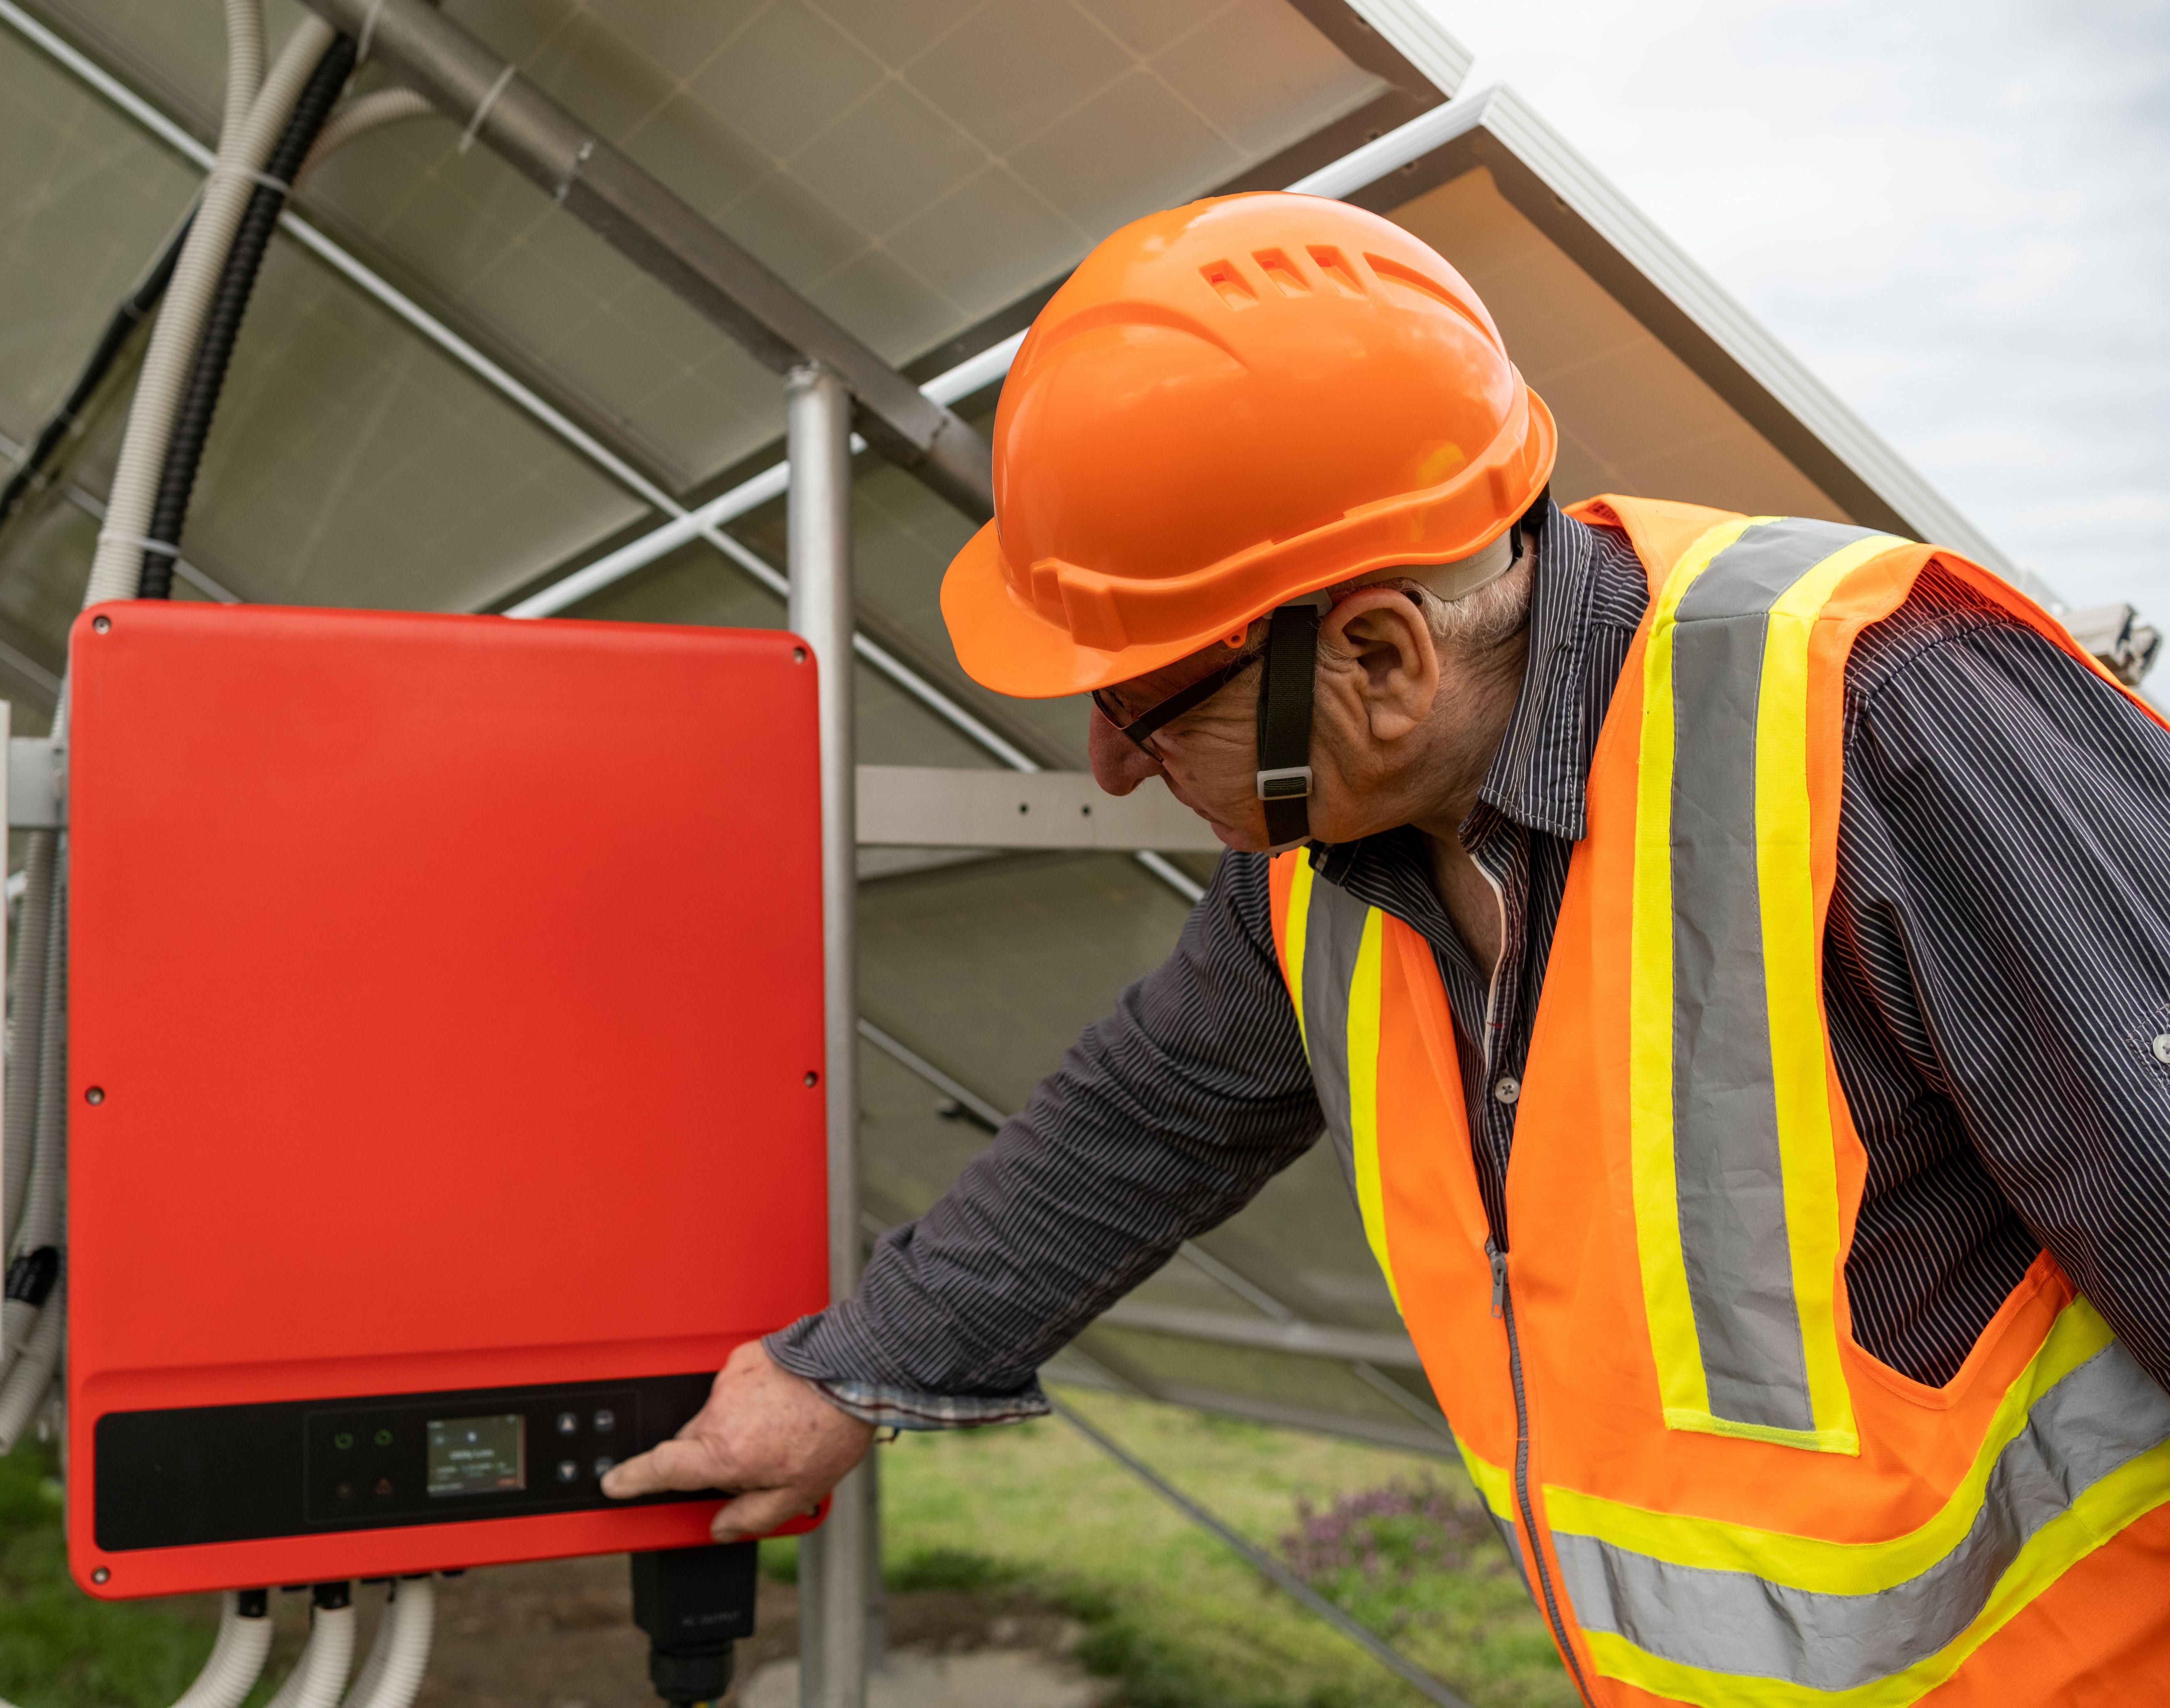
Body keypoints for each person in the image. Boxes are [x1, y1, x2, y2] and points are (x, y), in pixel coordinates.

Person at [602, 193, 2170, 1700]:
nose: (1107, 766)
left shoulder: (1878, 714)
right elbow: (1141, 1121)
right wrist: (843, 1375)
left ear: (1377, 654)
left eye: (1142, 707)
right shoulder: (1323, 854)